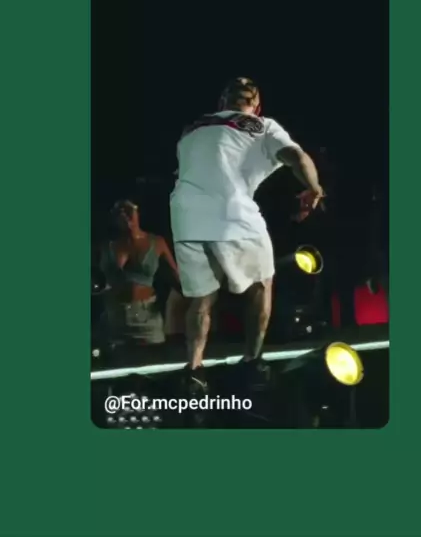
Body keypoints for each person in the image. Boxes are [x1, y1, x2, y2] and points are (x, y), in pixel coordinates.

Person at [170, 77, 324, 392]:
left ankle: (194, 370)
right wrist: (314, 187)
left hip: (185, 213)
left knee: (201, 298)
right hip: (231, 211)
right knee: (262, 283)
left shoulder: (193, 128)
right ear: (256, 105)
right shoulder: (263, 125)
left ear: (222, 103)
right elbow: (297, 157)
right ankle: (252, 361)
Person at [99, 200, 186, 346]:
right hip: (114, 318)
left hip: (147, 318)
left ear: (137, 212)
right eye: (119, 211)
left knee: (150, 357)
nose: (124, 214)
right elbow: (97, 281)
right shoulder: (107, 246)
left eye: (128, 209)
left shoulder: (156, 243)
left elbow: (176, 278)